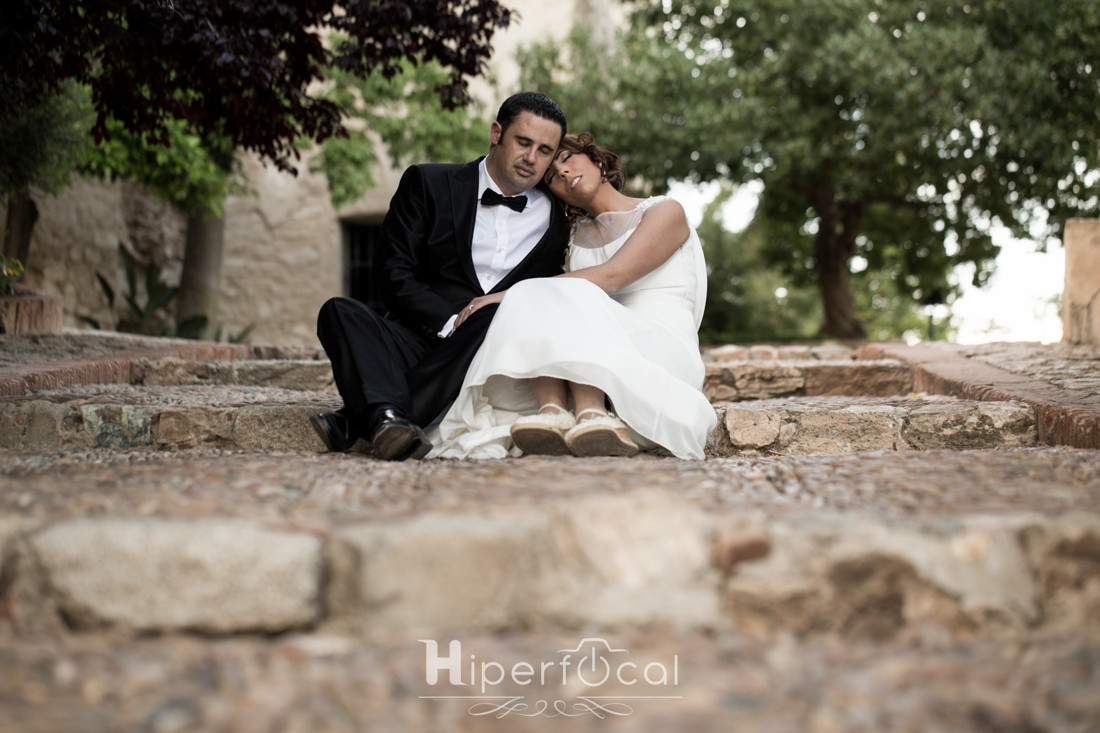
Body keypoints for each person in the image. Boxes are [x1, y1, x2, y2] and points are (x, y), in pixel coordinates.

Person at [310, 92, 570, 460]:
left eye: (545, 150)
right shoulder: (428, 183)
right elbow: (392, 272)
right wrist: (449, 322)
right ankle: (376, 418)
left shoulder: (560, 217)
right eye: (523, 142)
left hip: (492, 344)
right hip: (420, 335)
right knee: (339, 311)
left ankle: (373, 418)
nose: (531, 158)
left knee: (503, 310)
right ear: (497, 133)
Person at [429, 132, 716, 460]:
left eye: (566, 159)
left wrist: (504, 295)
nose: (562, 173)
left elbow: (613, 276)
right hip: (607, 345)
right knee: (545, 296)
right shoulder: (572, 239)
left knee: (558, 290)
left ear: (595, 158)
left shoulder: (664, 211)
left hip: (662, 346)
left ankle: (593, 414)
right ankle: (553, 413)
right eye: (551, 176)